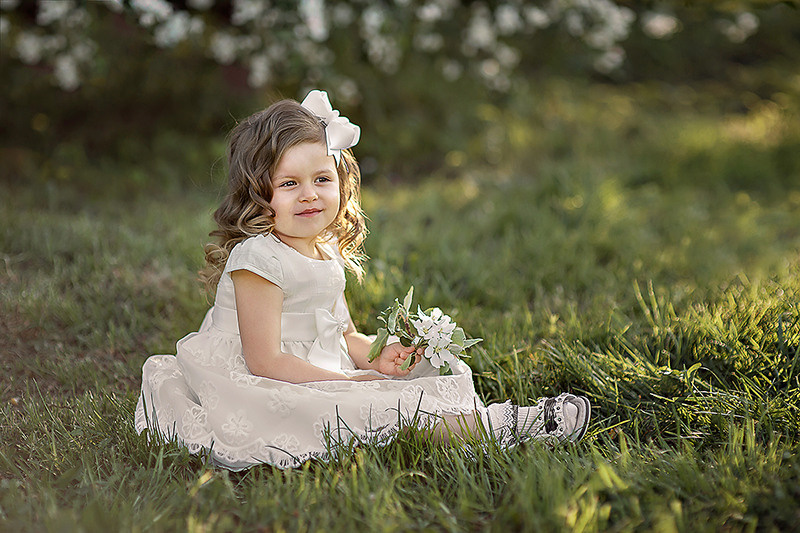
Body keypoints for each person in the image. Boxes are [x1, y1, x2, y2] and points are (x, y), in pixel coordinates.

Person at [134, 90, 591, 470]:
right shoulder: (258, 260)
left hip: (313, 365)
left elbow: (344, 334)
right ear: (259, 192)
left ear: (342, 183)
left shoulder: (325, 251)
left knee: (422, 372)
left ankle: (476, 426)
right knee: (369, 409)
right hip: (262, 379)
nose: (310, 194)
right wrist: (344, 383)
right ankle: (517, 424)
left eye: (321, 179)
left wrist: (377, 358)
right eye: (289, 184)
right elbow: (264, 360)